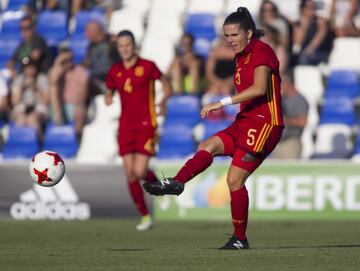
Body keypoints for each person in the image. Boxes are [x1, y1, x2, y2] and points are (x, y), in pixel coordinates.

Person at [144, 7, 284, 249]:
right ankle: (176, 182)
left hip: (265, 124)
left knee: (234, 180)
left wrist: (222, 102)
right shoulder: (240, 57)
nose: (230, 41)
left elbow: (260, 88)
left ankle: (240, 239)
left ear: (249, 33)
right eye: (226, 36)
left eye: (234, 35)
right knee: (207, 145)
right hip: (245, 120)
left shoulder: (262, 51)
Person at [105, 30, 172, 231]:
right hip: (125, 126)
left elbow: (166, 85)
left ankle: (161, 188)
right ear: (118, 48)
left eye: (128, 45)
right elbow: (109, 90)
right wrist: (108, 97)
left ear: (134, 45)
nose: (125, 49)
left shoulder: (148, 66)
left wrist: (163, 100)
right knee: (130, 174)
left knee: (140, 170)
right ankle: (145, 216)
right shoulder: (115, 70)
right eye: (121, 46)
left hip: (146, 124)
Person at [48, 48, 89, 140]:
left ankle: (76, 140)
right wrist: (58, 64)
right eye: (65, 61)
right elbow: (53, 84)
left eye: (70, 59)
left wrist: (79, 104)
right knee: (54, 88)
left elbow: (84, 95)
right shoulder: (55, 71)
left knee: (79, 111)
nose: (68, 62)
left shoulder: (80, 71)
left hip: (75, 106)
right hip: (57, 107)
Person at [271, 72, 308, 159]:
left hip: (291, 143)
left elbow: (303, 122)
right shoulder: (281, 99)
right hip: (278, 143)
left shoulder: (299, 100)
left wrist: (284, 120)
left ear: (287, 84)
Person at [10, 58, 49, 138]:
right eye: (27, 68)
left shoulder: (42, 78)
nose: (29, 70)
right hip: (22, 107)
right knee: (20, 119)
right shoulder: (19, 79)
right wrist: (22, 88)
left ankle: (38, 142)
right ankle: (20, 144)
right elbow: (15, 102)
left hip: (39, 108)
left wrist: (35, 88)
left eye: (32, 67)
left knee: (32, 119)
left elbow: (46, 102)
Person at [292, 0, 333, 65]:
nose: (312, 11)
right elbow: (298, 44)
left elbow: (320, 37)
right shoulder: (298, 24)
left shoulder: (320, 22)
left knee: (303, 59)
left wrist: (309, 50)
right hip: (303, 52)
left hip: (319, 52)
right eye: (309, 8)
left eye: (314, 8)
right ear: (302, 9)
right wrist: (304, 26)